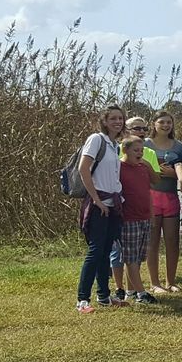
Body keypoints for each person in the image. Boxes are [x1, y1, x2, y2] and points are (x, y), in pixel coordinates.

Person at [75, 106, 127, 313]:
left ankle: (103, 296)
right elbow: (83, 168)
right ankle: (82, 300)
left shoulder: (115, 145)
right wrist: (96, 199)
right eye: (113, 118)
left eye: (121, 118)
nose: (118, 122)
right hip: (99, 202)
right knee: (96, 250)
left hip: (113, 202)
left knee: (107, 249)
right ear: (104, 121)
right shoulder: (96, 139)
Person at [112, 135, 159, 304]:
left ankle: (131, 291)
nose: (140, 154)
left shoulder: (142, 167)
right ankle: (141, 293)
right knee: (130, 258)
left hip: (144, 216)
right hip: (128, 218)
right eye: (136, 150)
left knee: (138, 258)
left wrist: (147, 165)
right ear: (125, 150)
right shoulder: (118, 168)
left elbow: (155, 183)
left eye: (141, 151)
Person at [145, 110, 182, 295]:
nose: (166, 125)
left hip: (170, 197)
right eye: (162, 122)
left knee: (172, 241)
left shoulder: (178, 147)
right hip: (151, 197)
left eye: (169, 122)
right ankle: (155, 282)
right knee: (152, 242)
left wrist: (173, 174)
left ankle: (171, 282)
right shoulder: (145, 144)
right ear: (154, 124)